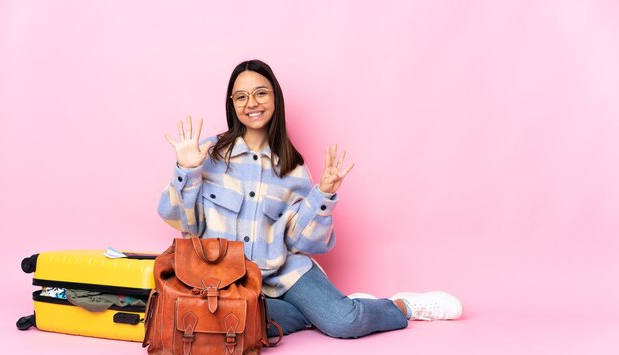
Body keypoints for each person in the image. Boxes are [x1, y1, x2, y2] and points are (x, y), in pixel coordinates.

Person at [158, 59, 462, 339]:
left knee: (345, 323)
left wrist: (323, 195)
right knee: (234, 324)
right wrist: (187, 169)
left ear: (275, 98)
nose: (252, 103)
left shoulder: (292, 166)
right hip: (226, 283)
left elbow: (303, 243)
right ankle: (319, 312)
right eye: (241, 96)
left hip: (284, 273)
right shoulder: (207, 154)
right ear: (232, 104)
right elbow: (179, 219)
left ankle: (401, 306)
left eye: (261, 93)